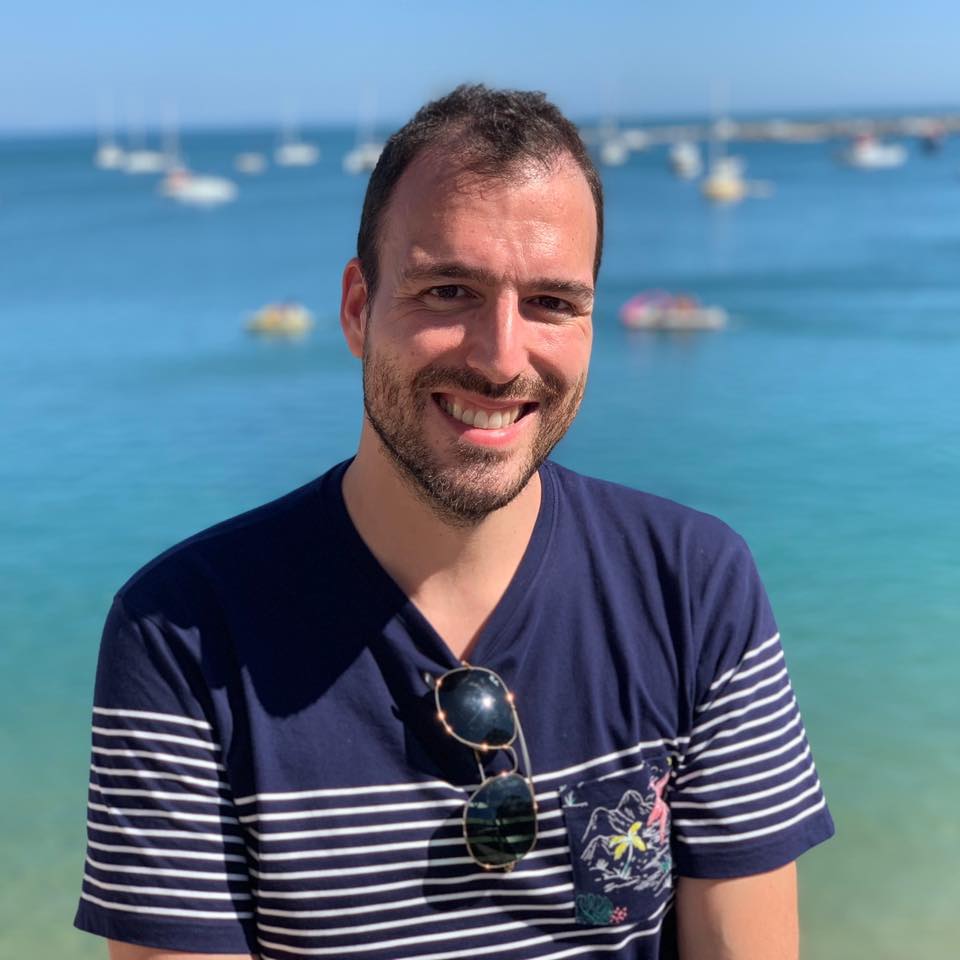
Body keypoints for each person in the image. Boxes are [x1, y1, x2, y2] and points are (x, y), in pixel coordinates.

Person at [75, 85, 833, 960]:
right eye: (448, 291)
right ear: (357, 309)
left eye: (552, 303)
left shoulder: (693, 587)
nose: (502, 358)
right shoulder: (182, 634)